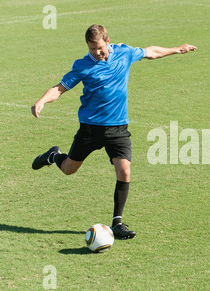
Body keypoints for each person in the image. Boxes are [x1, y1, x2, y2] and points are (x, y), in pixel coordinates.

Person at [31, 24, 196, 239]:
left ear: (108, 41)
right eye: (92, 50)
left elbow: (150, 52)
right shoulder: (82, 65)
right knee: (69, 169)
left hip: (118, 127)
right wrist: (42, 100)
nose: (97, 53)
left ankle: (117, 223)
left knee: (124, 171)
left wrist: (177, 49)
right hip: (90, 128)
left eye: (99, 48)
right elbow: (60, 88)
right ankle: (53, 156)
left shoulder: (124, 53)